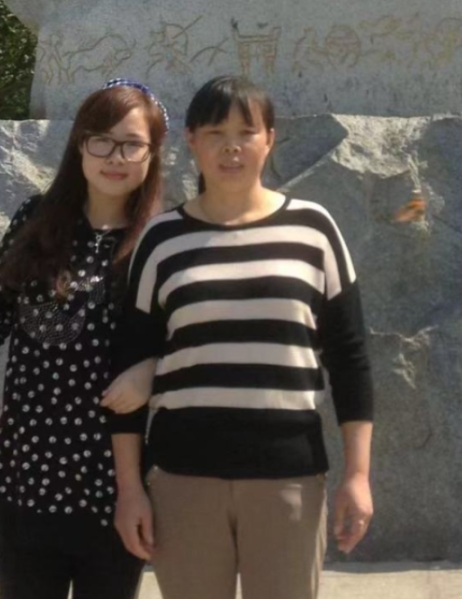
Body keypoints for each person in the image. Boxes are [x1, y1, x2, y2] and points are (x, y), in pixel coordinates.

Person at [105, 76, 374, 599]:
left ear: (269, 139)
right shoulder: (161, 240)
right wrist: (130, 489)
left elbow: (350, 358)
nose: (231, 147)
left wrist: (358, 475)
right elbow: (129, 366)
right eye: (215, 133)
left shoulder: (314, 229)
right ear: (191, 140)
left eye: (246, 132)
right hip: (183, 478)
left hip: (288, 477)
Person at [0, 79, 168, 599]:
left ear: (152, 154)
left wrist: (152, 372)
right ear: (80, 145)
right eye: (101, 140)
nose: (115, 157)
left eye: (132, 144)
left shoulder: (160, 240)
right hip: (29, 468)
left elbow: (188, 335)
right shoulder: (36, 220)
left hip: (116, 477)